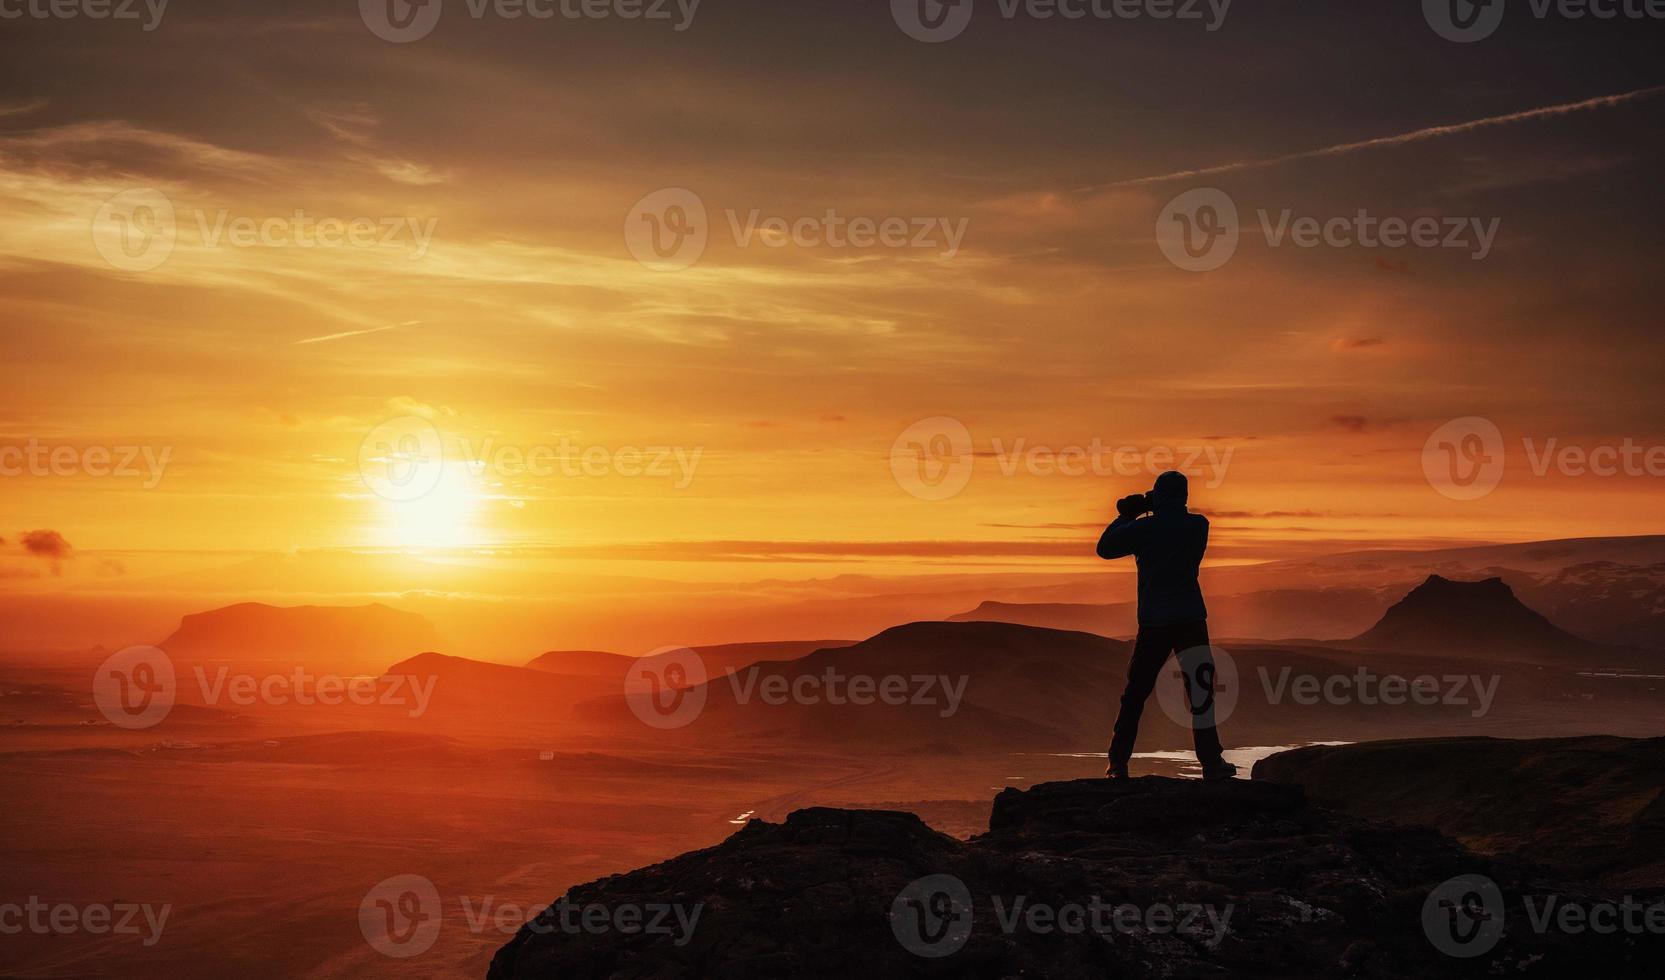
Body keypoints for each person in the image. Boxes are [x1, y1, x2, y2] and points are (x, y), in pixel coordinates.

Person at [1095, 471, 1236, 781]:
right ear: (1184, 496)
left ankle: (1117, 764)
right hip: (1190, 619)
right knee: (1200, 693)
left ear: (1158, 495)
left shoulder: (1143, 529)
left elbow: (1104, 548)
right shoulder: (1199, 526)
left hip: (1154, 622)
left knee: (1135, 694)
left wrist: (1128, 515)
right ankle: (1211, 763)